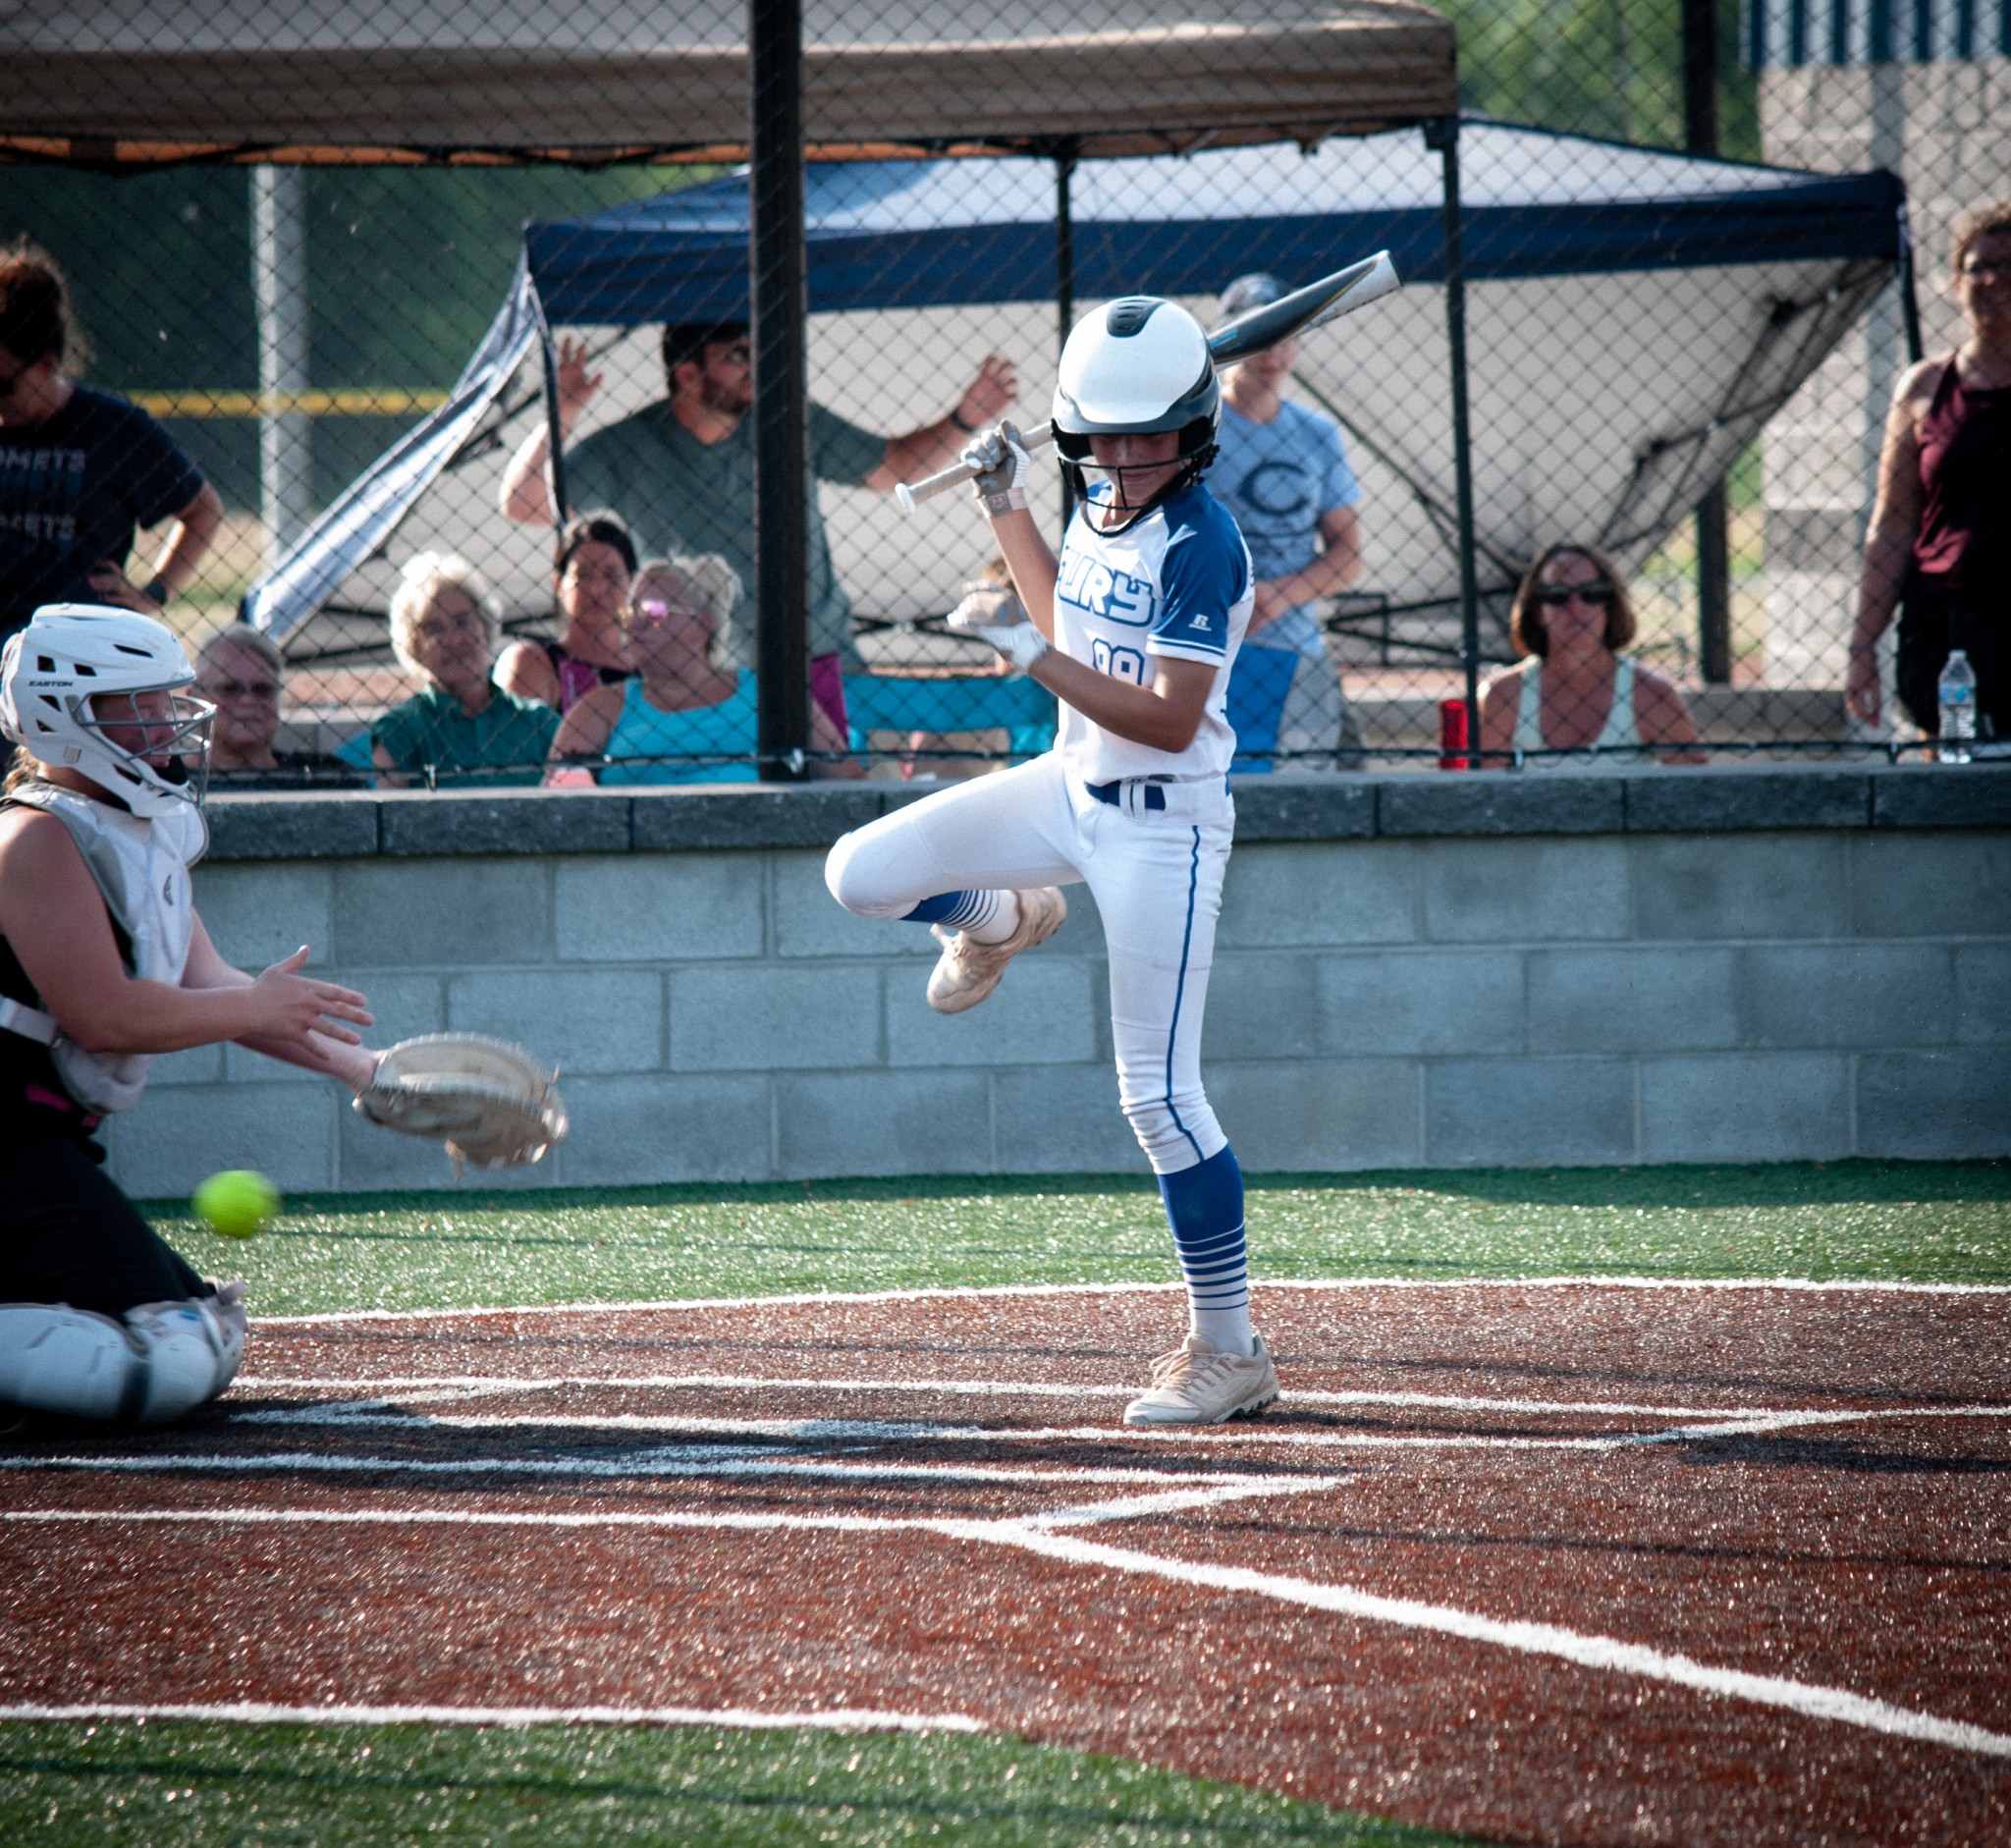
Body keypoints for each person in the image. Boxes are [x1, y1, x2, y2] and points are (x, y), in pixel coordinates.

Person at [824, 296, 1277, 1429]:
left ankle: (1229, 1352)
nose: (1126, 458)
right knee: (858, 874)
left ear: (1195, 429)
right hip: (1071, 787)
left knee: (1160, 1099)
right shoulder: (1098, 504)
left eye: (1150, 436)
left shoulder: (1204, 541)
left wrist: (1029, 661)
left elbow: (1168, 721)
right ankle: (998, 916)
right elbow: (1065, 621)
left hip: (1162, 821)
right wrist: (1005, 502)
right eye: (1106, 438)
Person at [0, 603, 379, 1427]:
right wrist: (257, 1001)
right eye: (138, 704)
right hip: (8, 1141)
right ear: (65, 715)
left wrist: (369, 1074)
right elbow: (109, 1018)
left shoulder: (137, 828)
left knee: (203, 1333)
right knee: (158, 1356)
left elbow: (205, 986)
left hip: (42, 1142)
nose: (168, 722)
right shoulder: (33, 837)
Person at [498, 324, 1019, 736]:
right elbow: (522, 505)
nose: (754, 368)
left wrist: (963, 419)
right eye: (736, 356)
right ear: (687, 374)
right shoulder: (629, 447)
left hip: (823, 660)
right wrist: (561, 414)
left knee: (865, 799)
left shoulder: (788, 421)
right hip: (708, 682)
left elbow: (898, 469)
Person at [0, 241, 224, 641]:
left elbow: (203, 509)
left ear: (46, 364)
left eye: (5, 385)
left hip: (82, 651)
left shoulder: (114, 429)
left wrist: (154, 592)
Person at [1849, 200, 2011, 742]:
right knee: (1948, 780)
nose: (1993, 280)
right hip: (1946, 625)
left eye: (2009, 265)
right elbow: (1893, 525)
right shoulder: (1925, 389)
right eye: (1978, 266)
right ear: (1956, 281)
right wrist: (1863, 646)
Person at [1209, 273, 1365, 772]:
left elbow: (1347, 556)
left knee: (1316, 799)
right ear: (1230, 341)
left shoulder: (1317, 434)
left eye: (1285, 337)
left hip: (1296, 649)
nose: (1271, 354)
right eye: (1258, 338)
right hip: (1208, 652)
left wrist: (1278, 595)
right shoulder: (1193, 433)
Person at [549, 554, 859, 784]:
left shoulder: (772, 695)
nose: (636, 624)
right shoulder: (601, 707)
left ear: (702, 624)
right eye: (631, 612)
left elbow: (850, 782)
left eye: (652, 611)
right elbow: (555, 796)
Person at [1479, 542, 1704, 768]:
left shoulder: (1651, 695)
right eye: (1558, 595)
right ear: (1537, 610)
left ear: (1609, 604)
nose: (1576, 607)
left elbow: (1697, 791)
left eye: (1593, 593)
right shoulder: (1505, 696)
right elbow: (1483, 793)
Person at [371, 554, 560, 788]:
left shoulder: (539, 722)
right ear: (414, 646)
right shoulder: (399, 731)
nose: (453, 639)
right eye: (434, 629)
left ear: (485, 627)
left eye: (462, 622)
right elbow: (392, 819)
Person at [493, 510, 636, 714]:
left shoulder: (651, 674)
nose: (597, 588)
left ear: (632, 583)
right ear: (559, 584)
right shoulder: (532, 663)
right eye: (583, 575)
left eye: (611, 576)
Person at [195, 625, 368, 789]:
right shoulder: (172, 784)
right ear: (194, 699)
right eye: (229, 689)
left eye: (263, 689)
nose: (247, 700)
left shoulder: (330, 779)